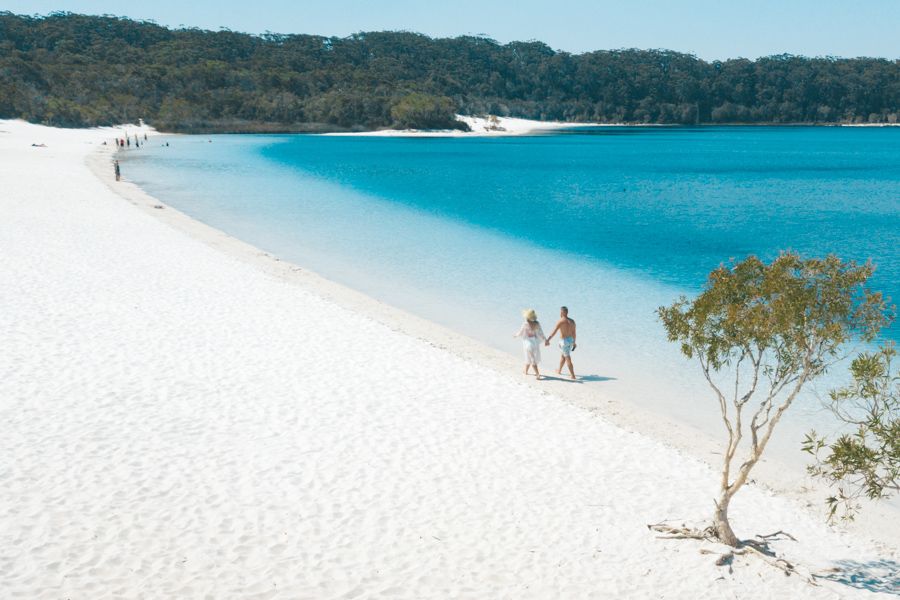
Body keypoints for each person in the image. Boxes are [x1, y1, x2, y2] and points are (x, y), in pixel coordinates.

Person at [513, 309, 547, 379]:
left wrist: (515, 335)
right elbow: (541, 333)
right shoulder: (537, 323)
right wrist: (545, 340)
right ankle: (525, 371)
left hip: (528, 343)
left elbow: (520, 332)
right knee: (529, 357)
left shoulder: (525, 324)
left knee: (532, 359)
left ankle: (537, 374)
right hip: (535, 343)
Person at [546, 306, 577, 379]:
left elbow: (554, 332)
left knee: (567, 358)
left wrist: (548, 339)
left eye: (560, 312)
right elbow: (574, 333)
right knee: (563, 356)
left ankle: (573, 375)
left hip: (564, 341)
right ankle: (559, 370)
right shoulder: (572, 321)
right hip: (570, 340)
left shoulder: (561, 321)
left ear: (562, 312)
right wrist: (574, 342)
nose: (560, 313)